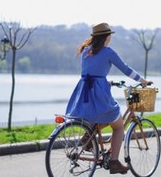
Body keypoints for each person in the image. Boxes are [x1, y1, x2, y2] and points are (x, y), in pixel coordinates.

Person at [65, 22, 152, 175]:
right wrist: (142, 81)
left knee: (98, 116)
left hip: (85, 90)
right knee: (118, 126)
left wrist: (107, 82)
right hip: (99, 92)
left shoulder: (86, 51)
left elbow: (92, 72)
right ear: (107, 36)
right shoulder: (108, 52)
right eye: (110, 34)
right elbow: (126, 69)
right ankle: (114, 162)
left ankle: (88, 138)